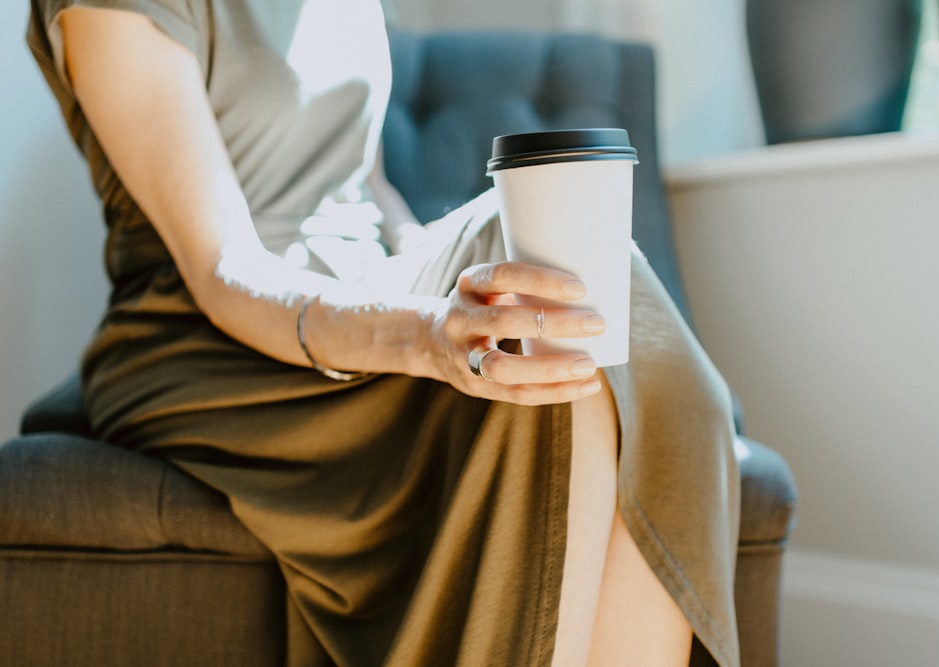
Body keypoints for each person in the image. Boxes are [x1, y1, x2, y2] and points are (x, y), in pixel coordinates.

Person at [27, 1, 741, 665]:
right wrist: (424, 331)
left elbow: (367, 192)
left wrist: (448, 280)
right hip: (212, 347)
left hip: (366, 292)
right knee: (541, 337)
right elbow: (222, 269)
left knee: (561, 326)